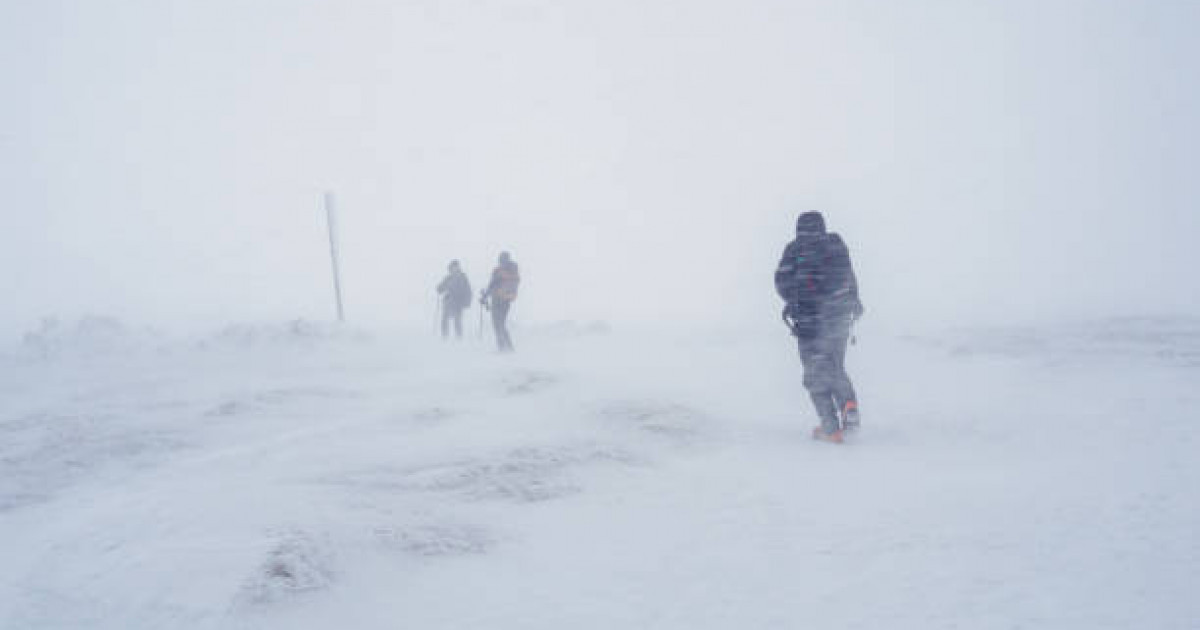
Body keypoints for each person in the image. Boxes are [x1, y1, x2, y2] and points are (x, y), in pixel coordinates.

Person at [774, 211, 864, 443]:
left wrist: (794, 301)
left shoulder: (794, 249)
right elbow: (849, 276)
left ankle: (830, 427)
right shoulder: (836, 244)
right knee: (835, 365)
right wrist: (853, 302)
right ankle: (849, 406)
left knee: (814, 373)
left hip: (808, 322)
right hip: (839, 318)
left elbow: (781, 282)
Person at [481, 251, 520, 352]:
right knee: (498, 324)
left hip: (502, 300)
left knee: (499, 324)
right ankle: (505, 347)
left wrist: (485, 296)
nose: (501, 262)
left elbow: (493, 285)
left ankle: (506, 348)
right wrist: (485, 296)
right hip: (501, 300)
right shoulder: (506, 271)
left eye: (502, 259)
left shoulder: (508, 270)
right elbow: (492, 285)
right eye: (501, 260)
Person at [436, 260, 472, 340]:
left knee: (457, 320)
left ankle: (458, 337)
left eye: (455, 267)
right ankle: (445, 336)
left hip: (458, 302)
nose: (454, 269)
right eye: (452, 267)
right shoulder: (448, 278)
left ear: (458, 267)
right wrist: (439, 288)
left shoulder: (463, 277)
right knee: (445, 319)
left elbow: (468, 290)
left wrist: (467, 302)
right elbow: (442, 287)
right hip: (448, 302)